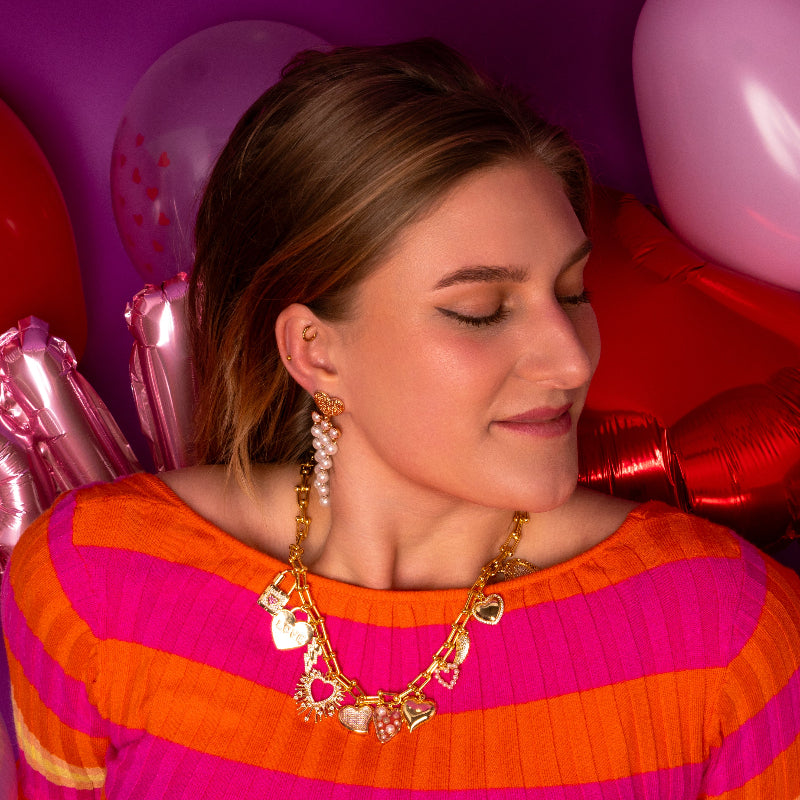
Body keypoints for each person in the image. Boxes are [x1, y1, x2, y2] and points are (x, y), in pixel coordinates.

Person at [2, 38, 799, 798]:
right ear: (315, 351)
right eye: (481, 310)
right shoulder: (95, 583)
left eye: (572, 292)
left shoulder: (727, 633)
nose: (571, 360)